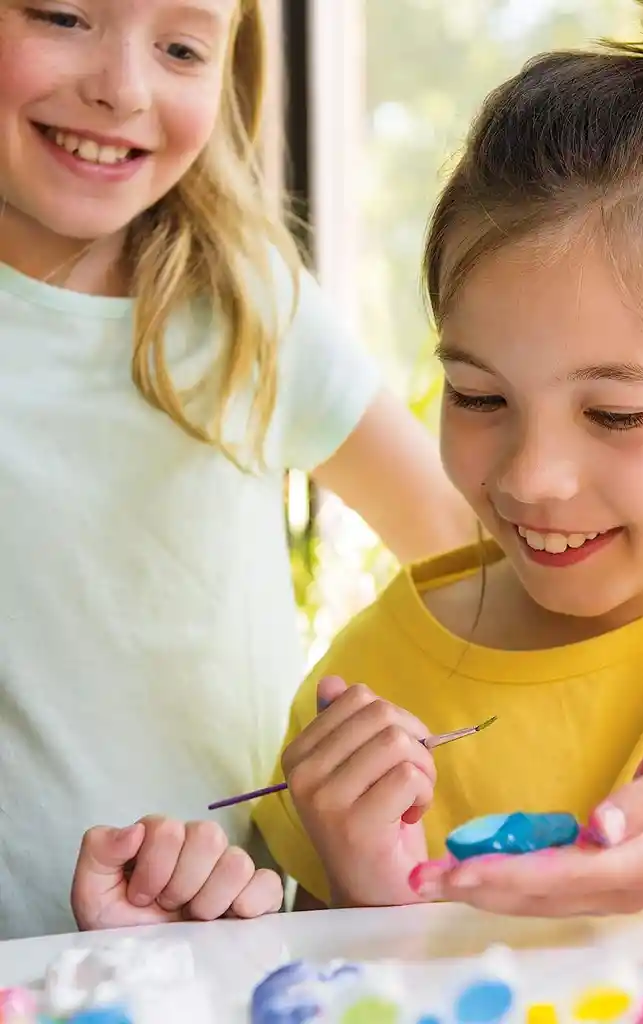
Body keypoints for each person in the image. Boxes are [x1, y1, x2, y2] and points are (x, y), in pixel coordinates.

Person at [65, 0, 643, 931]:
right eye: (478, 397)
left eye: (615, 414)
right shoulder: (372, 691)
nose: (531, 477)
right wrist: (369, 897)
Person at [0, 0, 473, 940]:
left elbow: (465, 555)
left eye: (181, 47)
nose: (121, 88)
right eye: (62, 16)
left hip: (222, 938)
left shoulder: (247, 306)